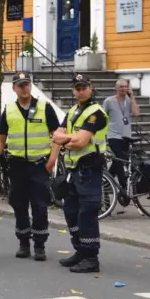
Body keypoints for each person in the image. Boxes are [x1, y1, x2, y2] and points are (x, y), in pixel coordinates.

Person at [0, 72, 61, 262]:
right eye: (20, 85)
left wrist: (52, 159)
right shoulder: (9, 110)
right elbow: (0, 138)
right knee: (19, 204)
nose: (24, 88)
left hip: (39, 165)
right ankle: (23, 242)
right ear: (14, 88)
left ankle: (39, 244)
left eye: (27, 84)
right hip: (17, 165)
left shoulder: (44, 107)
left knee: (40, 205)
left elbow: (58, 135)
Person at [52, 74, 108, 273]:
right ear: (73, 90)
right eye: (78, 88)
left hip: (90, 169)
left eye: (84, 87)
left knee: (87, 214)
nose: (81, 90)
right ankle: (80, 251)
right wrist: (68, 137)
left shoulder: (96, 113)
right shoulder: (73, 111)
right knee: (71, 213)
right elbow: (56, 135)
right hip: (73, 170)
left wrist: (64, 138)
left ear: (90, 88)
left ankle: (91, 257)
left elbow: (81, 142)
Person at [103, 79, 139, 190]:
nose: (124, 89)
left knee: (118, 161)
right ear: (116, 88)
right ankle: (123, 187)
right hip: (113, 135)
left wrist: (132, 96)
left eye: (125, 87)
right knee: (119, 160)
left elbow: (136, 113)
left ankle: (106, 184)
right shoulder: (109, 101)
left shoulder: (129, 101)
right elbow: (103, 117)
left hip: (126, 136)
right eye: (121, 87)